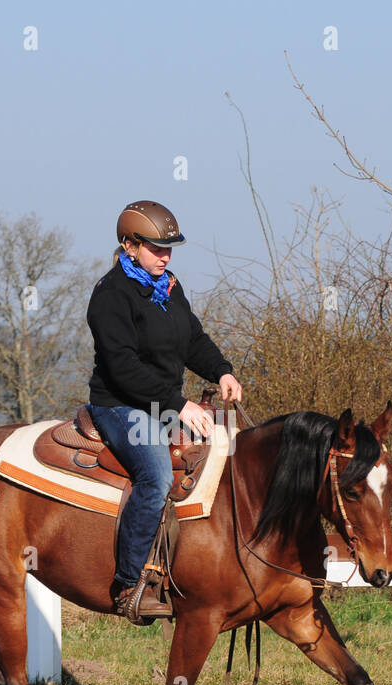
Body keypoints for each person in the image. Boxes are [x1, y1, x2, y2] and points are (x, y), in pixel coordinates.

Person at [86, 200, 243, 623]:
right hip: (122, 406)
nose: (165, 256)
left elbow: (193, 340)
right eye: (157, 248)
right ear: (129, 244)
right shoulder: (110, 296)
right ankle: (129, 583)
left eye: (170, 248)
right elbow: (123, 368)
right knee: (155, 477)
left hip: (164, 403)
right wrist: (178, 403)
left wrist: (222, 370)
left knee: (231, 457)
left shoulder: (168, 287)